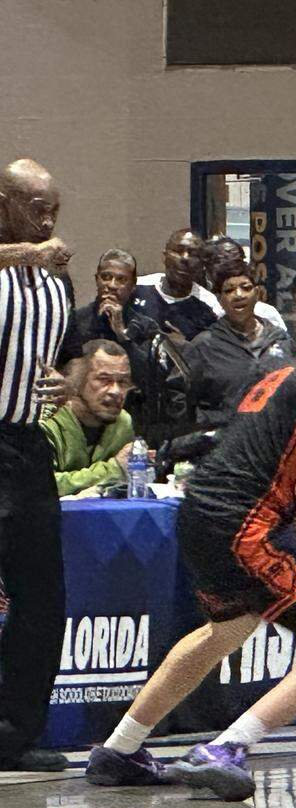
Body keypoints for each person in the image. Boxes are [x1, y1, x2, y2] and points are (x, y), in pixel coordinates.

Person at [85, 275, 296, 800]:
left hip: (200, 514)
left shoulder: (287, 370)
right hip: (242, 526)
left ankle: (119, 749)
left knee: (224, 631)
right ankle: (226, 748)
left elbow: (277, 466)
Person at [0, 158, 72, 771]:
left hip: (26, 446)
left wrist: (63, 383)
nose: (48, 219)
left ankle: (15, 732)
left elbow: (71, 359)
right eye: (34, 206)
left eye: (54, 207)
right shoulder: (28, 259)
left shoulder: (55, 281)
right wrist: (25, 251)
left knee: (42, 596)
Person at [182, 260, 296, 429]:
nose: (239, 295)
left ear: (258, 293)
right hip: (224, 448)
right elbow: (185, 406)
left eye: (246, 287)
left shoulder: (281, 340)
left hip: (275, 445)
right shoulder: (203, 346)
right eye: (229, 290)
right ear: (220, 299)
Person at [42, 340, 134, 497]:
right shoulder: (46, 423)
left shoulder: (123, 423)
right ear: (75, 383)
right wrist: (114, 470)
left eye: (123, 382)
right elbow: (41, 485)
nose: (116, 391)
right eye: (103, 380)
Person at [132, 229, 217, 342]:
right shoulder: (136, 287)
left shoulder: (211, 306)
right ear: (164, 256)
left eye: (193, 254)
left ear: (202, 264)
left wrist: (184, 347)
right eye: (179, 250)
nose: (185, 258)